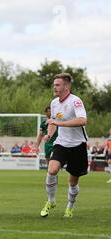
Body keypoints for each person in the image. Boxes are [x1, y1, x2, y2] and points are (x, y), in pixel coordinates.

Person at [40, 73, 88, 218]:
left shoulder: (76, 101)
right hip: (61, 143)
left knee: (72, 182)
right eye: (54, 84)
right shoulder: (54, 103)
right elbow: (53, 121)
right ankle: (51, 201)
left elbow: (82, 120)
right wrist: (49, 134)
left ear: (66, 86)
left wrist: (59, 123)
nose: (54, 87)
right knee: (52, 170)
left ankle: (70, 207)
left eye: (57, 85)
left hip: (78, 145)